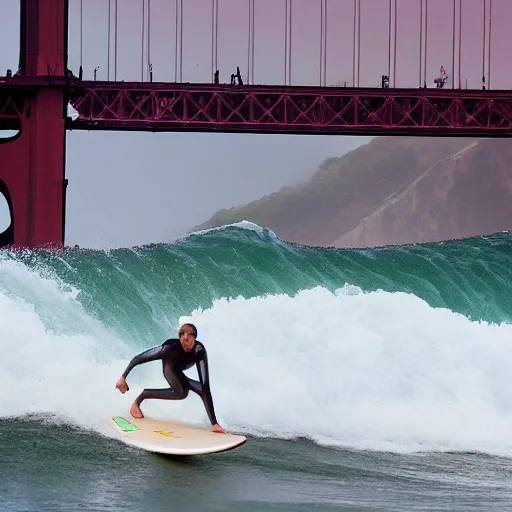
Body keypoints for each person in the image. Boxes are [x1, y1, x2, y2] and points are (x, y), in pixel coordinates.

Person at [115, 323, 225, 433]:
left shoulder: (199, 351)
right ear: (180, 338)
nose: (186, 346)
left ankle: (215, 424)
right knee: (181, 393)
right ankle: (140, 399)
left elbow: (205, 383)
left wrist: (214, 423)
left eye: (189, 341)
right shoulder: (168, 349)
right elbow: (139, 358)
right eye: (183, 341)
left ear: (194, 338)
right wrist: (123, 377)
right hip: (170, 368)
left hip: (179, 371)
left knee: (202, 388)